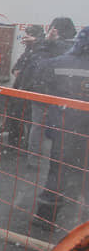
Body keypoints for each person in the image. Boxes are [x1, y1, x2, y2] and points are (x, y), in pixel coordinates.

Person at [30, 26, 89, 232]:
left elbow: (37, 71)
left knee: (58, 173)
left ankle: (45, 217)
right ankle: (85, 229)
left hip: (65, 128)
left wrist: (46, 44)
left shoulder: (60, 62)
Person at [22, 17, 77, 163]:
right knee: (52, 128)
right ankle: (52, 160)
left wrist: (42, 42)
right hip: (58, 93)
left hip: (46, 91)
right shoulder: (66, 47)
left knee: (39, 126)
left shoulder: (56, 46)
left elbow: (36, 62)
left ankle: (36, 159)